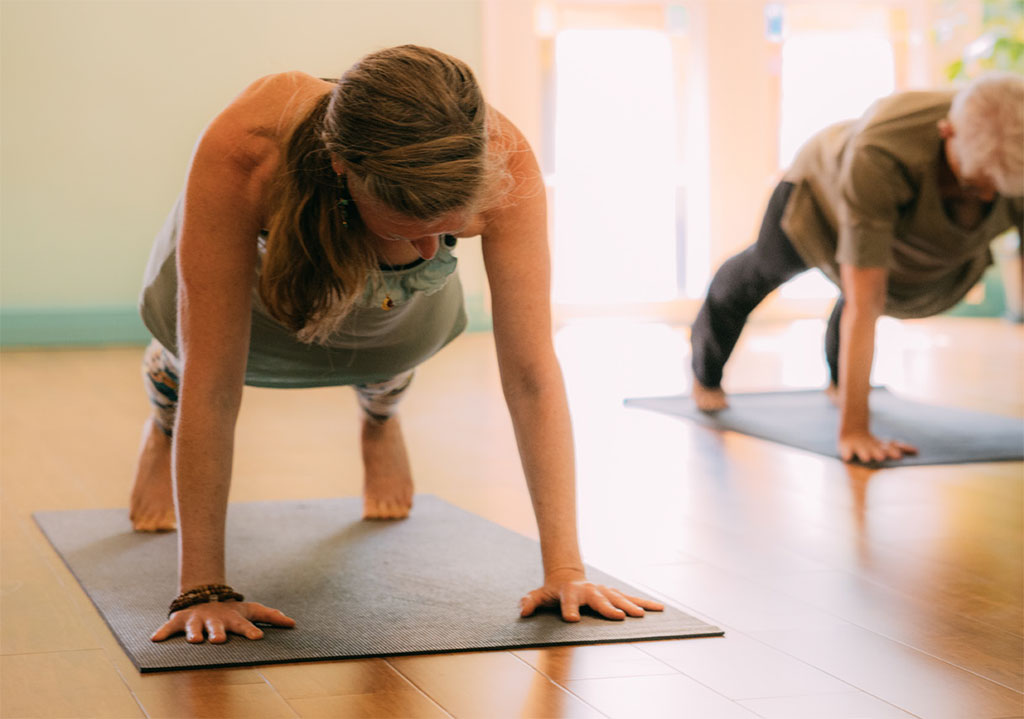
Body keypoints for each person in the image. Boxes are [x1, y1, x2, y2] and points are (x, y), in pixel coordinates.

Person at [130, 45, 663, 644]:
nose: (437, 249)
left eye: (449, 228)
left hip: (386, 307)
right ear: (341, 167)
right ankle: (162, 425)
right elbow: (215, 380)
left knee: (394, 332)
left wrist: (566, 569)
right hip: (263, 280)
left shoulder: (500, 157)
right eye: (411, 223)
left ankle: (380, 417)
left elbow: (533, 372)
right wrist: (203, 587)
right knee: (185, 361)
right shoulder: (248, 148)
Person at [690, 72, 1024, 464]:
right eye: (980, 182)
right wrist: (854, 431)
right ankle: (705, 372)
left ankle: (838, 382)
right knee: (768, 271)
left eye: (998, 188)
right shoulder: (882, 149)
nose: (987, 196)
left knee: (863, 286)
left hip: (909, 226)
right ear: (946, 131)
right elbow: (866, 302)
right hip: (820, 197)